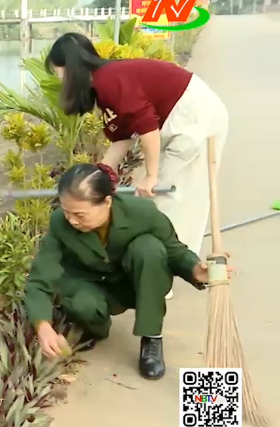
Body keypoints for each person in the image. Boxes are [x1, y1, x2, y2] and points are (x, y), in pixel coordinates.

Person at [44, 32, 229, 300]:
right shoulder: (104, 86)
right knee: (171, 200)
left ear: (70, 68)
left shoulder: (109, 81)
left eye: (58, 72)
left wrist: (151, 176)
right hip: (183, 119)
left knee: (170, 198)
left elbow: (146, 126)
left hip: (194, 117)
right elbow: (123, 136)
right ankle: (167, 271)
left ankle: (161, 278)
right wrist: (101, 173)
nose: (58, 79)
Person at [24, 163, 227, 380]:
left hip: (132, 283)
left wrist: (196, 270)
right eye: (66, 212)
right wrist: (42, 325)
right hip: (88, 283)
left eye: (80, 214)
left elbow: (175, 252)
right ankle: (94, 327)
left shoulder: (142, 214)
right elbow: (41, 275)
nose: (72, 220)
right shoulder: (60, 223)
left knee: (149, 248)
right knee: (82, 304)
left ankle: (151, 336)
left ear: (107, 202)